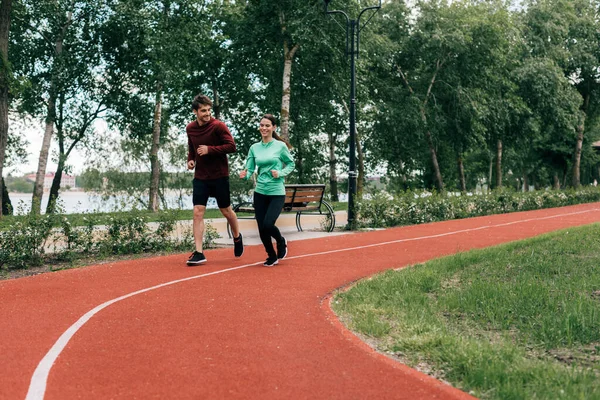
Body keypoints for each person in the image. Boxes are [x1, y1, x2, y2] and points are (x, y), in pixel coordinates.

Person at [186, 94, 244, 266]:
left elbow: (232, 146)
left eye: (209, 110)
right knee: (197, 212)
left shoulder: (218, 126)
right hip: (201, 176)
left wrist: (210, 150)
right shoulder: (190, 128)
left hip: (219, 175)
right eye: (203, 111)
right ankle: (199, 252)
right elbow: (192, 147)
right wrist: (191, 159)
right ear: (195, 111)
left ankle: (237, 236)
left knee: (226, 211)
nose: (207, 113)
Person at [239, 114, 295, 267]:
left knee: (268, 224)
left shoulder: (280, 146)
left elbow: (291, 164)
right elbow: (250, 169)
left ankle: (281, 241)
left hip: (276, 192)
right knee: (261, 227)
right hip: (260, 192)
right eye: (262, 125)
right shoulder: (254, 148)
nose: (264, 128)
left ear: (273, 127)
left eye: (267, 125)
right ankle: (271, 255)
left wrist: (281, 173)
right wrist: (245, 175)